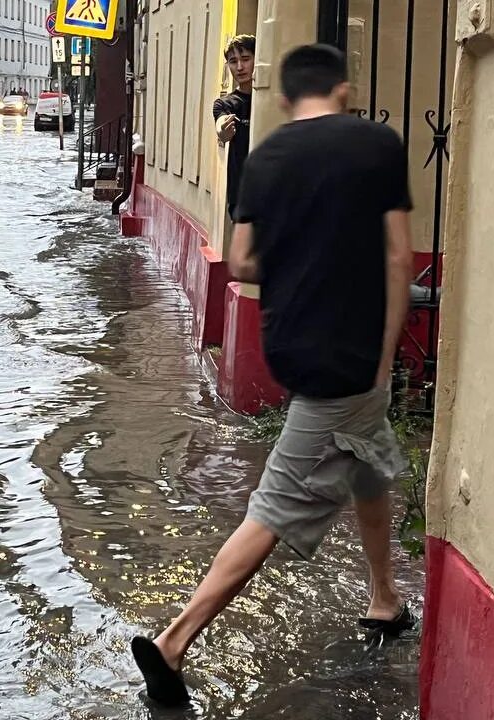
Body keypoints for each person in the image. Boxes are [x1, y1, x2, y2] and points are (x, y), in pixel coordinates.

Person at [131, 43, 415, 707]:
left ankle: (383, 598)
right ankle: (174, 643)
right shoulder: (378, 146)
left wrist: (299, 258)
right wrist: (384, 349)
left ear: (286, 97)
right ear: (342, 89)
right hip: (349, 357)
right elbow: (400, 258)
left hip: (292, 345)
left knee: (368, 460)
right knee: (277, 502)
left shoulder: (263, 156)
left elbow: (243, 262)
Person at [212, 35, 255, 221]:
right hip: (242, 196)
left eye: (245, 59)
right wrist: (223, 131)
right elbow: (221, 123)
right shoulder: (226, 103)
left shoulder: (273, 98)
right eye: (233, 61)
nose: (239, 67)